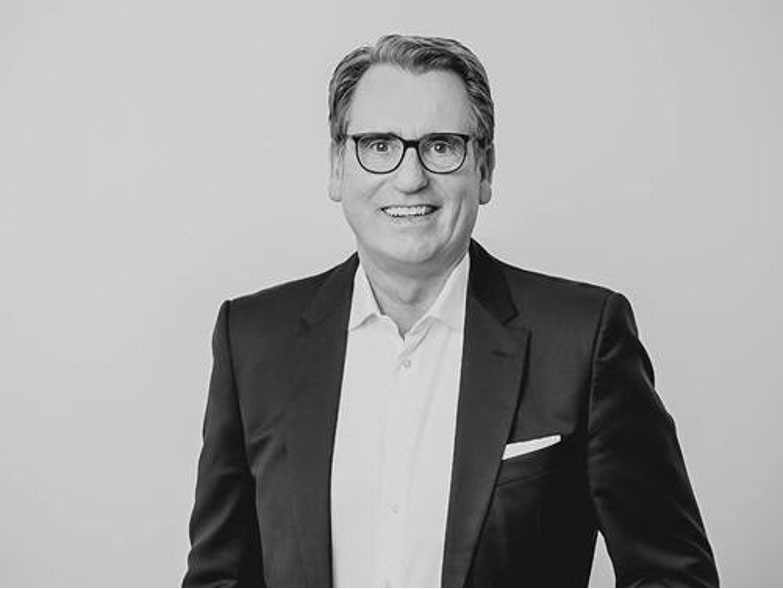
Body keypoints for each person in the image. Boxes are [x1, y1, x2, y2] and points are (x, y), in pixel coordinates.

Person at [183, 34, 718, 587]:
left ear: (484, 170)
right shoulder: (254, 341)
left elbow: (673, 576)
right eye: (378, 145)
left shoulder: (583, 339)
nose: (410, 178)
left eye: (441, 146)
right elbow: (218, 578)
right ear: (338, 167)